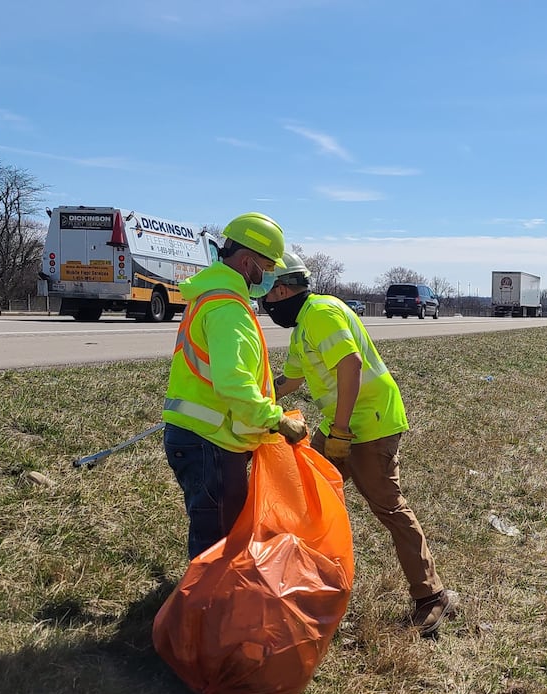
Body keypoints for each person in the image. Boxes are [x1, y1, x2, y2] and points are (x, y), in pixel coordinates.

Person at [258, 252, 453, 637]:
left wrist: (343, 432)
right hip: (340, 424)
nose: (266, 303)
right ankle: (292, 585)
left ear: (280, 290)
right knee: (304, 495)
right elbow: (291, 380)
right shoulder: (302, 327)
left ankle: (432, 597)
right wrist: (257, 398)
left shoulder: (321, 314)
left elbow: (351, 364)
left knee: (388, 506)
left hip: (370, 424)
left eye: (267, 294)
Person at [162, 212, 308, 560]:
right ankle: (205, 609)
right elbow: (235, 384)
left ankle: (207, 602)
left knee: (213, 529)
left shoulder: (210, 296)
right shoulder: (229, 309)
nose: (272, 276)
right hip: (210, 442)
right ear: (247, 262)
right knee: (217, 538)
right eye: (268, 266)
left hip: (200, 436)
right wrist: (277, 420)